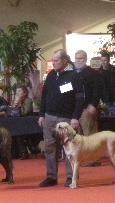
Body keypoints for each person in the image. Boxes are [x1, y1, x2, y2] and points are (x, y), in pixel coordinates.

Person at [38, 49, 84, 187]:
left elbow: (80, 99)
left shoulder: (74, 76)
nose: (54, 63)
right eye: (53, 60)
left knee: (71, 149)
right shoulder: (51, 75)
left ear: (64, 61)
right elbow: (44, 96)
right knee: (49, 147)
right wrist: (41, 115)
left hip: (67, 119)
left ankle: (71, 178)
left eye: (56, 61)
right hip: (49, 117)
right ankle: (51, 177)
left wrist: (75, 117)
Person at [74, 49, 101, 167]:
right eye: (76, 58)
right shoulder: (73, 73)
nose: (78, 61)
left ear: (85, 59)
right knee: (78, 136)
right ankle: (82, 158)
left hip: (87, 108)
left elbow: (97, 91)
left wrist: (93, 105)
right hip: (75, 109)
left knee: (90, 135)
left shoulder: (92, 73)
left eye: (80, 58)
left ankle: (93, 159)